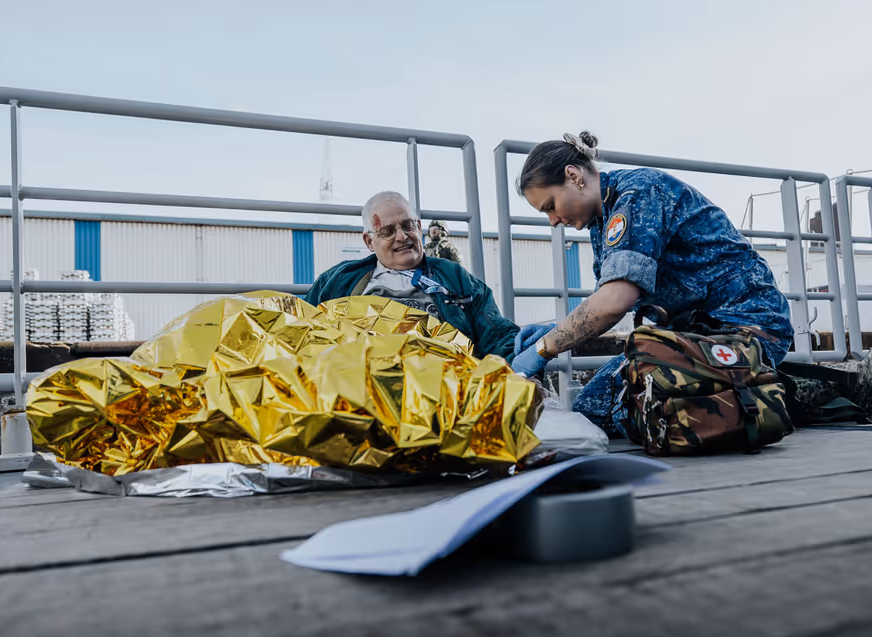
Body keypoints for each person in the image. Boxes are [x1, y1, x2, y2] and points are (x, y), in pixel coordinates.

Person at [509, 132, 793, 433]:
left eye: (550, 205)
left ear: (573, 175)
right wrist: (555, 330)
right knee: (594, 407)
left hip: (744, 326)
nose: (553, 221)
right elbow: (601, 303)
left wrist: (544, 347)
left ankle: (772, 392)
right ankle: (761, 392)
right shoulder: (605, 216)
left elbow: (613, 303)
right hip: (693, 335)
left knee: (642, 411)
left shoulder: (637, 194)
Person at [305, 191, 519, 360]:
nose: (402, 236)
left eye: (408, 226)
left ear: (418, 227)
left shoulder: (454, 276)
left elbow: (496, 333)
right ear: (369, 241)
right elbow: (303, 332)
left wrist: (521, 360)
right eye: (387, 231)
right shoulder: (339, 280)